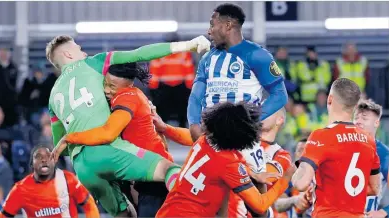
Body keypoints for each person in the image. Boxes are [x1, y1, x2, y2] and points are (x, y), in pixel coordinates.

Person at [46, 35, 210, 217]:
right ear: (69, 54)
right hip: (108, 149)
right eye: (78, 47)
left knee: (123, 213)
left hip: (82, 168)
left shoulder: (53, 96)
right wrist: (188, 45)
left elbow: (60, 144)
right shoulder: (94, 63)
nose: (82, 50)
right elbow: (140, 54)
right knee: (168, 169)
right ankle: (195, 204)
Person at [53, 62, 173, 217]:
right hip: (134, 171)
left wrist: (69, 138)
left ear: (128, 85)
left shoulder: (128, 98)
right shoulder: (115, 98)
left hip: (152, 173)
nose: (107, 90)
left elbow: (108, 133)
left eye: (113, 87)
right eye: (106, 84)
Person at [156, 101, 295, 217]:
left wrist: (251, 173)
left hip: (167, 211)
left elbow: (216, 168)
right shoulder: (230, 162)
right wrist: (286, 179)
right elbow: (260, 205)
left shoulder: (204, 141)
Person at [188, 3, 288, 141]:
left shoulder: (257, 55)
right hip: (210, 137)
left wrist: (249, 121)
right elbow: (195, 97)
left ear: (228, 25)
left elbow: (280, 95)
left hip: (243, 140)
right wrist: (193, 124)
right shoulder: (207, 58)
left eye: (212, 25)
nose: (209, 31)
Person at [292, 78, 381, 217]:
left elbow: (301, 184)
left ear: (330, 99)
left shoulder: (321, 136)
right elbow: (375, 188)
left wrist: (296, 175)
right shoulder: (369, 140)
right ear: (355, 105)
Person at [0, 145, 99, 218]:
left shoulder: (69, 180)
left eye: (48, 156)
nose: (44, 160)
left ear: (54, 161)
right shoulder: (20, 189)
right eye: (39, 157)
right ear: (32, 164)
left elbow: (89, 204)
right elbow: (3, 215)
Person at [354, 99, 389, 217]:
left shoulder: (384, 155)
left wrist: (384, 212)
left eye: (364, 118)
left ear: (376, 123)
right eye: (356, 117)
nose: (358, 121)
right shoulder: (343, 147)